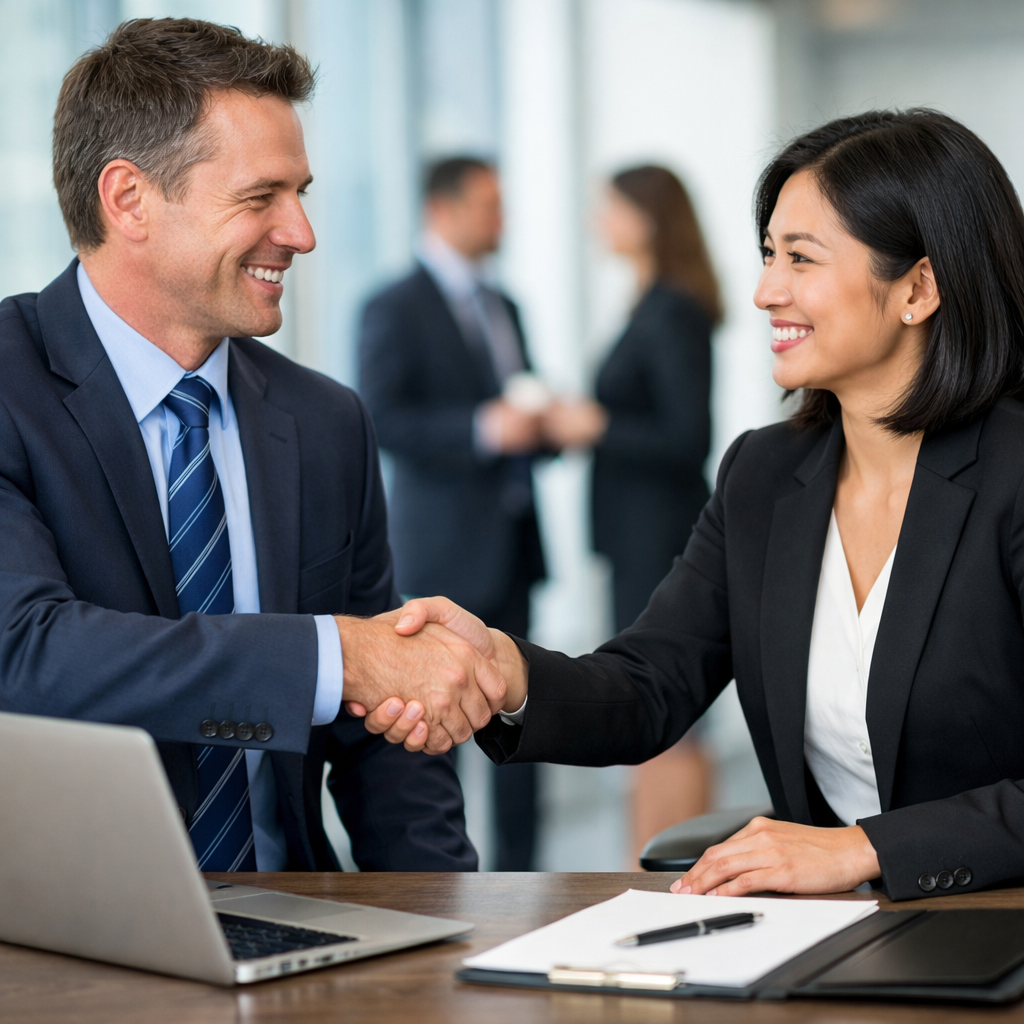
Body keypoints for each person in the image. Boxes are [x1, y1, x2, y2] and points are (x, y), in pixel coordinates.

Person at [357, 108, 1024, 902]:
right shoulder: (765, 475)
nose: (765, 291)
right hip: (829, 925)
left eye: (801, 258)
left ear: (917, 287)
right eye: (769, 254)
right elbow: (650, 684)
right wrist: (506, 670)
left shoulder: (1012, 475)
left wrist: (863, 849)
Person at [0, 18, 507, 874]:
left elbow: (381, 733)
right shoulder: (11, 387)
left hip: (297, 911)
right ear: (128, 200)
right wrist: (334, 654)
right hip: (60, 922)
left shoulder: (326, 421)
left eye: (300, 192)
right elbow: (25, 653)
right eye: (259, 196)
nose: (301, 233)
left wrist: (448, 920)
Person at [358, 157, 546, 871]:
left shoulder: (506, 304)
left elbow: (517, 399)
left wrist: (539, 426)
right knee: (442, 725)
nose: (503, 220)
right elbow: (381, 417)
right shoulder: (393, 305)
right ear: (442, 209)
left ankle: (530, 881)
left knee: (525, 718)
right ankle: (451, 881)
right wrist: (480, 429)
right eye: (489, 205)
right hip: (442, 551)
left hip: (514, 541)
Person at [545, 165, 719, 866]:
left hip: (658, 532)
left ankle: (669, 869)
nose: (599, 223)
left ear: (646, 219)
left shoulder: (672, 309)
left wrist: (598, 424)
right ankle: (656, 864)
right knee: (656, 709)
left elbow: (687, 436)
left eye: (609, 209)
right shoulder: (649, 301)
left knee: (661, 703)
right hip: (636, 530)